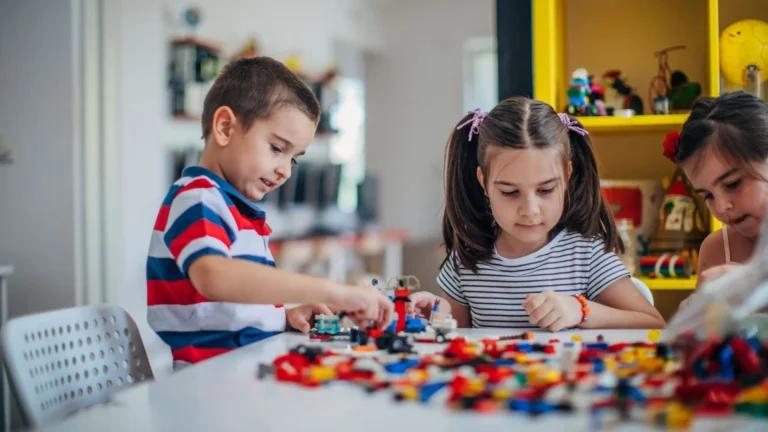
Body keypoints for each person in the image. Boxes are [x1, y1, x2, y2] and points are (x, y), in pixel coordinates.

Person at [147, 57, 392, 368]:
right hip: (211, 382)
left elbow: (228, 312)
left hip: (242, 370)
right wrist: (336, 291)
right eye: (277, 149)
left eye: (294, 159)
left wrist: (282, 316)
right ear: (224, 128)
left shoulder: (233, 209)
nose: (285, 172)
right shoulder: (198, 197)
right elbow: (213, 277)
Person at [410, 97, 665, 331]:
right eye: (510, 192)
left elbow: (653, 323)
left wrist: (581, 310)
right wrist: (435, 313)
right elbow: (456, 335)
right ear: (484, 182)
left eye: (545, 189)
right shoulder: (466, 258)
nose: (530, 210)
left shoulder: (585, 253)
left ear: (566, 176)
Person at [663, 92, 768, 310]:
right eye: (708, 196)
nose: (721, 207)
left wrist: (756, 284)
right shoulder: (717, 250)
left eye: (733, 184)